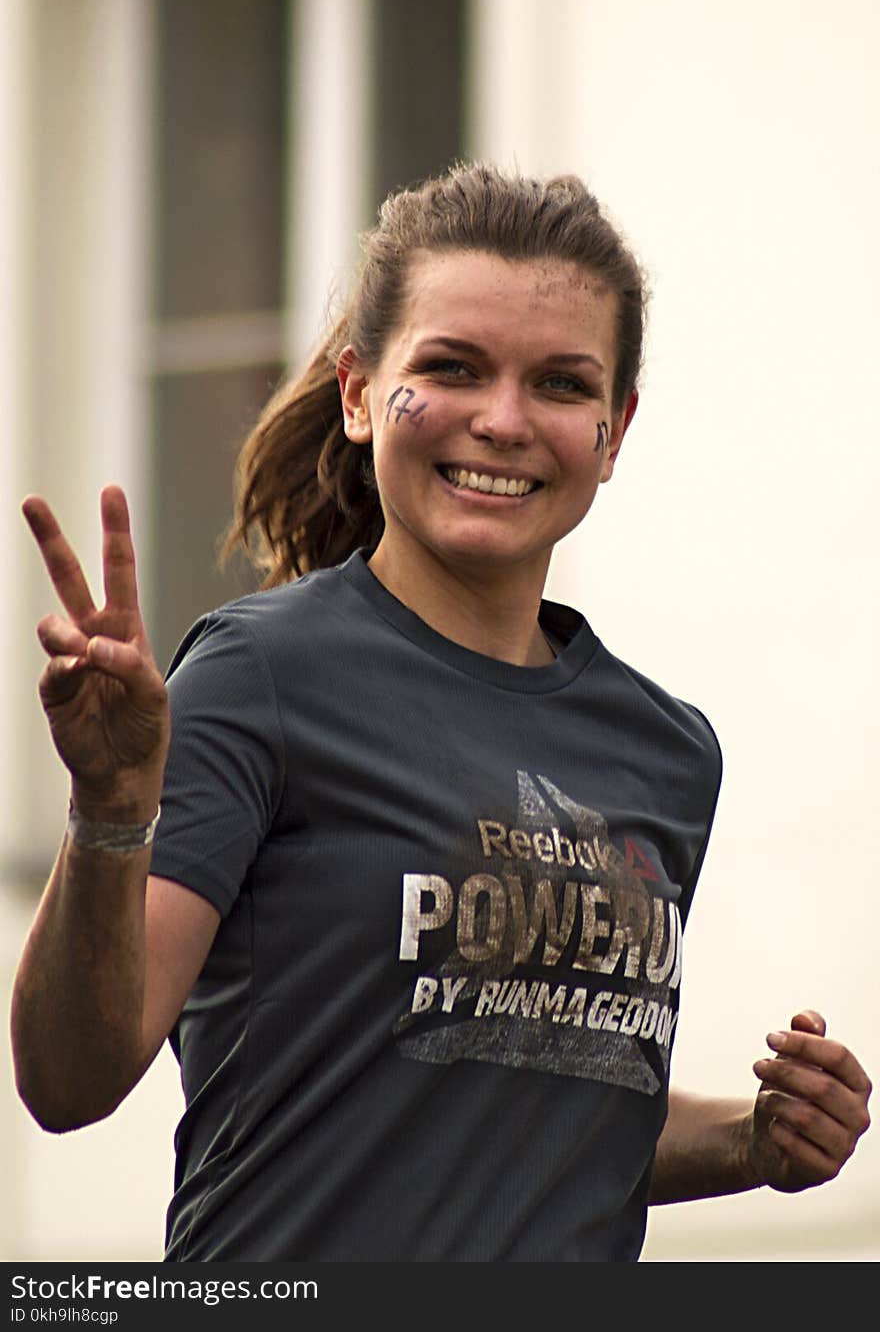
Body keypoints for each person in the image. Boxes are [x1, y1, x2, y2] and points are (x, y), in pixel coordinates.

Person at [11, 162, 871, 1262]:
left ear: (615, 430)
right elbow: (70, 1077)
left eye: (561, 385)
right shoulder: (260, 676)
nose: (503, 421)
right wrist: (111, 807)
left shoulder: (665, 751)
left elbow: (543, 1119)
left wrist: (755, 1137)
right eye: (453, 368)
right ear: (362, 393)